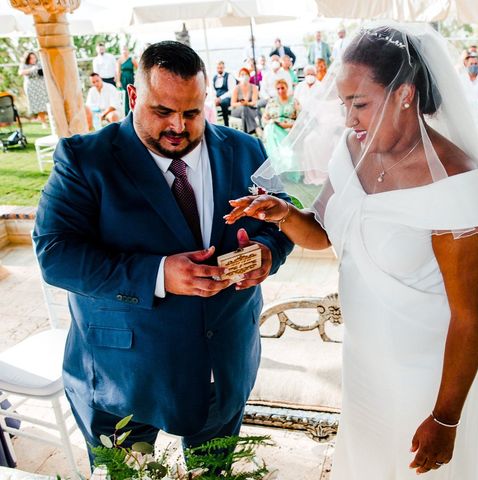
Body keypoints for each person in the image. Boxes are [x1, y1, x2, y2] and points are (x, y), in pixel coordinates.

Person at [226, 25, 478, 479]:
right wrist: (282, 214)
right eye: (344, 104)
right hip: (363, 361)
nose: (349, 118)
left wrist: (445, 417)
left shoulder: (461, 184)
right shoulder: (352, 149)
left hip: (427, 377)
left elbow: (471, 318)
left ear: (405, 94)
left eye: (359, 104)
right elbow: (325, 236)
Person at [33, 40, 293, 462]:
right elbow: (55, 253)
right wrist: (157, 274)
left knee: (212, 472)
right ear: (134, 96)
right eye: (162, 111)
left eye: (192, 112)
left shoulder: (247, 149)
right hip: (122, 377)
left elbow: (284, 221)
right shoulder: (84, 159)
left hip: (223, 363)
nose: (178, 126)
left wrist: (267, 252)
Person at [262, 79, 298, 172]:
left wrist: (289, 125)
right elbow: (264, 118)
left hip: (289, 128)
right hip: (273, 127)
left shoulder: (294, 101)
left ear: (287, 88)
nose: (280, 91)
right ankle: (275, 165)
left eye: (282, 88)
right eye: (278, 88)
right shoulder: (272, 102)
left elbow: (300, 119)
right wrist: (271, 122)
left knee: (272, 130)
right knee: (270, 128)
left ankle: (285, 166)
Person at [18, 51, 49, 126]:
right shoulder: (24, 65)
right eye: (31, 58)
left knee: (47, 102)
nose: (33, 59)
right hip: (32, 87)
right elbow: (20, 73)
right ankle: (44, 122)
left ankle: (51, 119)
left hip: (42, 86)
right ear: (27, 58)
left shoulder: (39, 63)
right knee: (38, 105)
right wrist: (31, 69)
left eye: (34, 57)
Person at [230, 67, 260, 134]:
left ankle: (245, 133)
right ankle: (255, 128)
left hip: (250, 109)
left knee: (245, 109)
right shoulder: (236, 88)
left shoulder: (254, 87)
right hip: (237, 110)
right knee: (244, 108)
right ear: (239, 76)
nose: (244, 76)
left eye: (246, 74)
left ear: (249, 76)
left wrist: (247, 103)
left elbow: (254, 102)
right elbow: (233, 104)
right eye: (242, 74)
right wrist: (241, 103)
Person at [212, 61, 237, 127]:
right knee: (210, 104)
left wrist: (220, 98)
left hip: (227, 97)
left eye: (221, 68)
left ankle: (226, 124)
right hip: (217, 98)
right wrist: (215, 98)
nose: (219, 69)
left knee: (224, 103)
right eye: (218, 68)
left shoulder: (229, 76)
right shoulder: (214, 78)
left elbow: (231, 91)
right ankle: (214, 124)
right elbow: (213, 90)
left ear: (224, 68)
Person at [115, 44, 138, 116]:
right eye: (123, 50)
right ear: (121, 51)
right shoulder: (119, 60)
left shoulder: (132, 59)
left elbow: (139, 68)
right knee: (125, 96)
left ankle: (134, 110)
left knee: (132, 93)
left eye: (126, 50)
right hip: (123, 80)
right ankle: (127, 113)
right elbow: (118, 72)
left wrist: (136, 76)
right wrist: (118, 81)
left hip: (131, 78)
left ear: (128, 51)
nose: (124, 51)